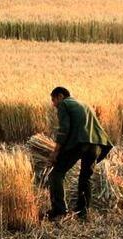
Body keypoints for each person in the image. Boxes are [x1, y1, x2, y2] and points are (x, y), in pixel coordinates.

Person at [46, 87, 113, 222]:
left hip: (80, 143)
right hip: (96, 145)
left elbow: (64, 129)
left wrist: (55, 152)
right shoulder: (84, 104)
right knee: (85, 177)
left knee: (56, 174)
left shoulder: (64, 104)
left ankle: (59, 211)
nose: (53, 104)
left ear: (60, 96)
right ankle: (83, 212)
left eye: (53, 100)